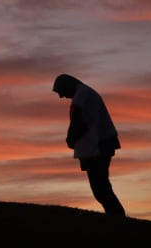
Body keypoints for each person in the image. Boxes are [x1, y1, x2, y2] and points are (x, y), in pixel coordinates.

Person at [52, 74, 126, 216]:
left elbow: (79, 122)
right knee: (101, 187)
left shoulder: (82, 96)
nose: (61, 96)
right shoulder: (84, 94)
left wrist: (71, 139)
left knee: (100, 188)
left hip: (98, 147)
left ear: (68, 86)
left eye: (61, 91)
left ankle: (117, 217)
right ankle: (116, 217)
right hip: (99, 146)